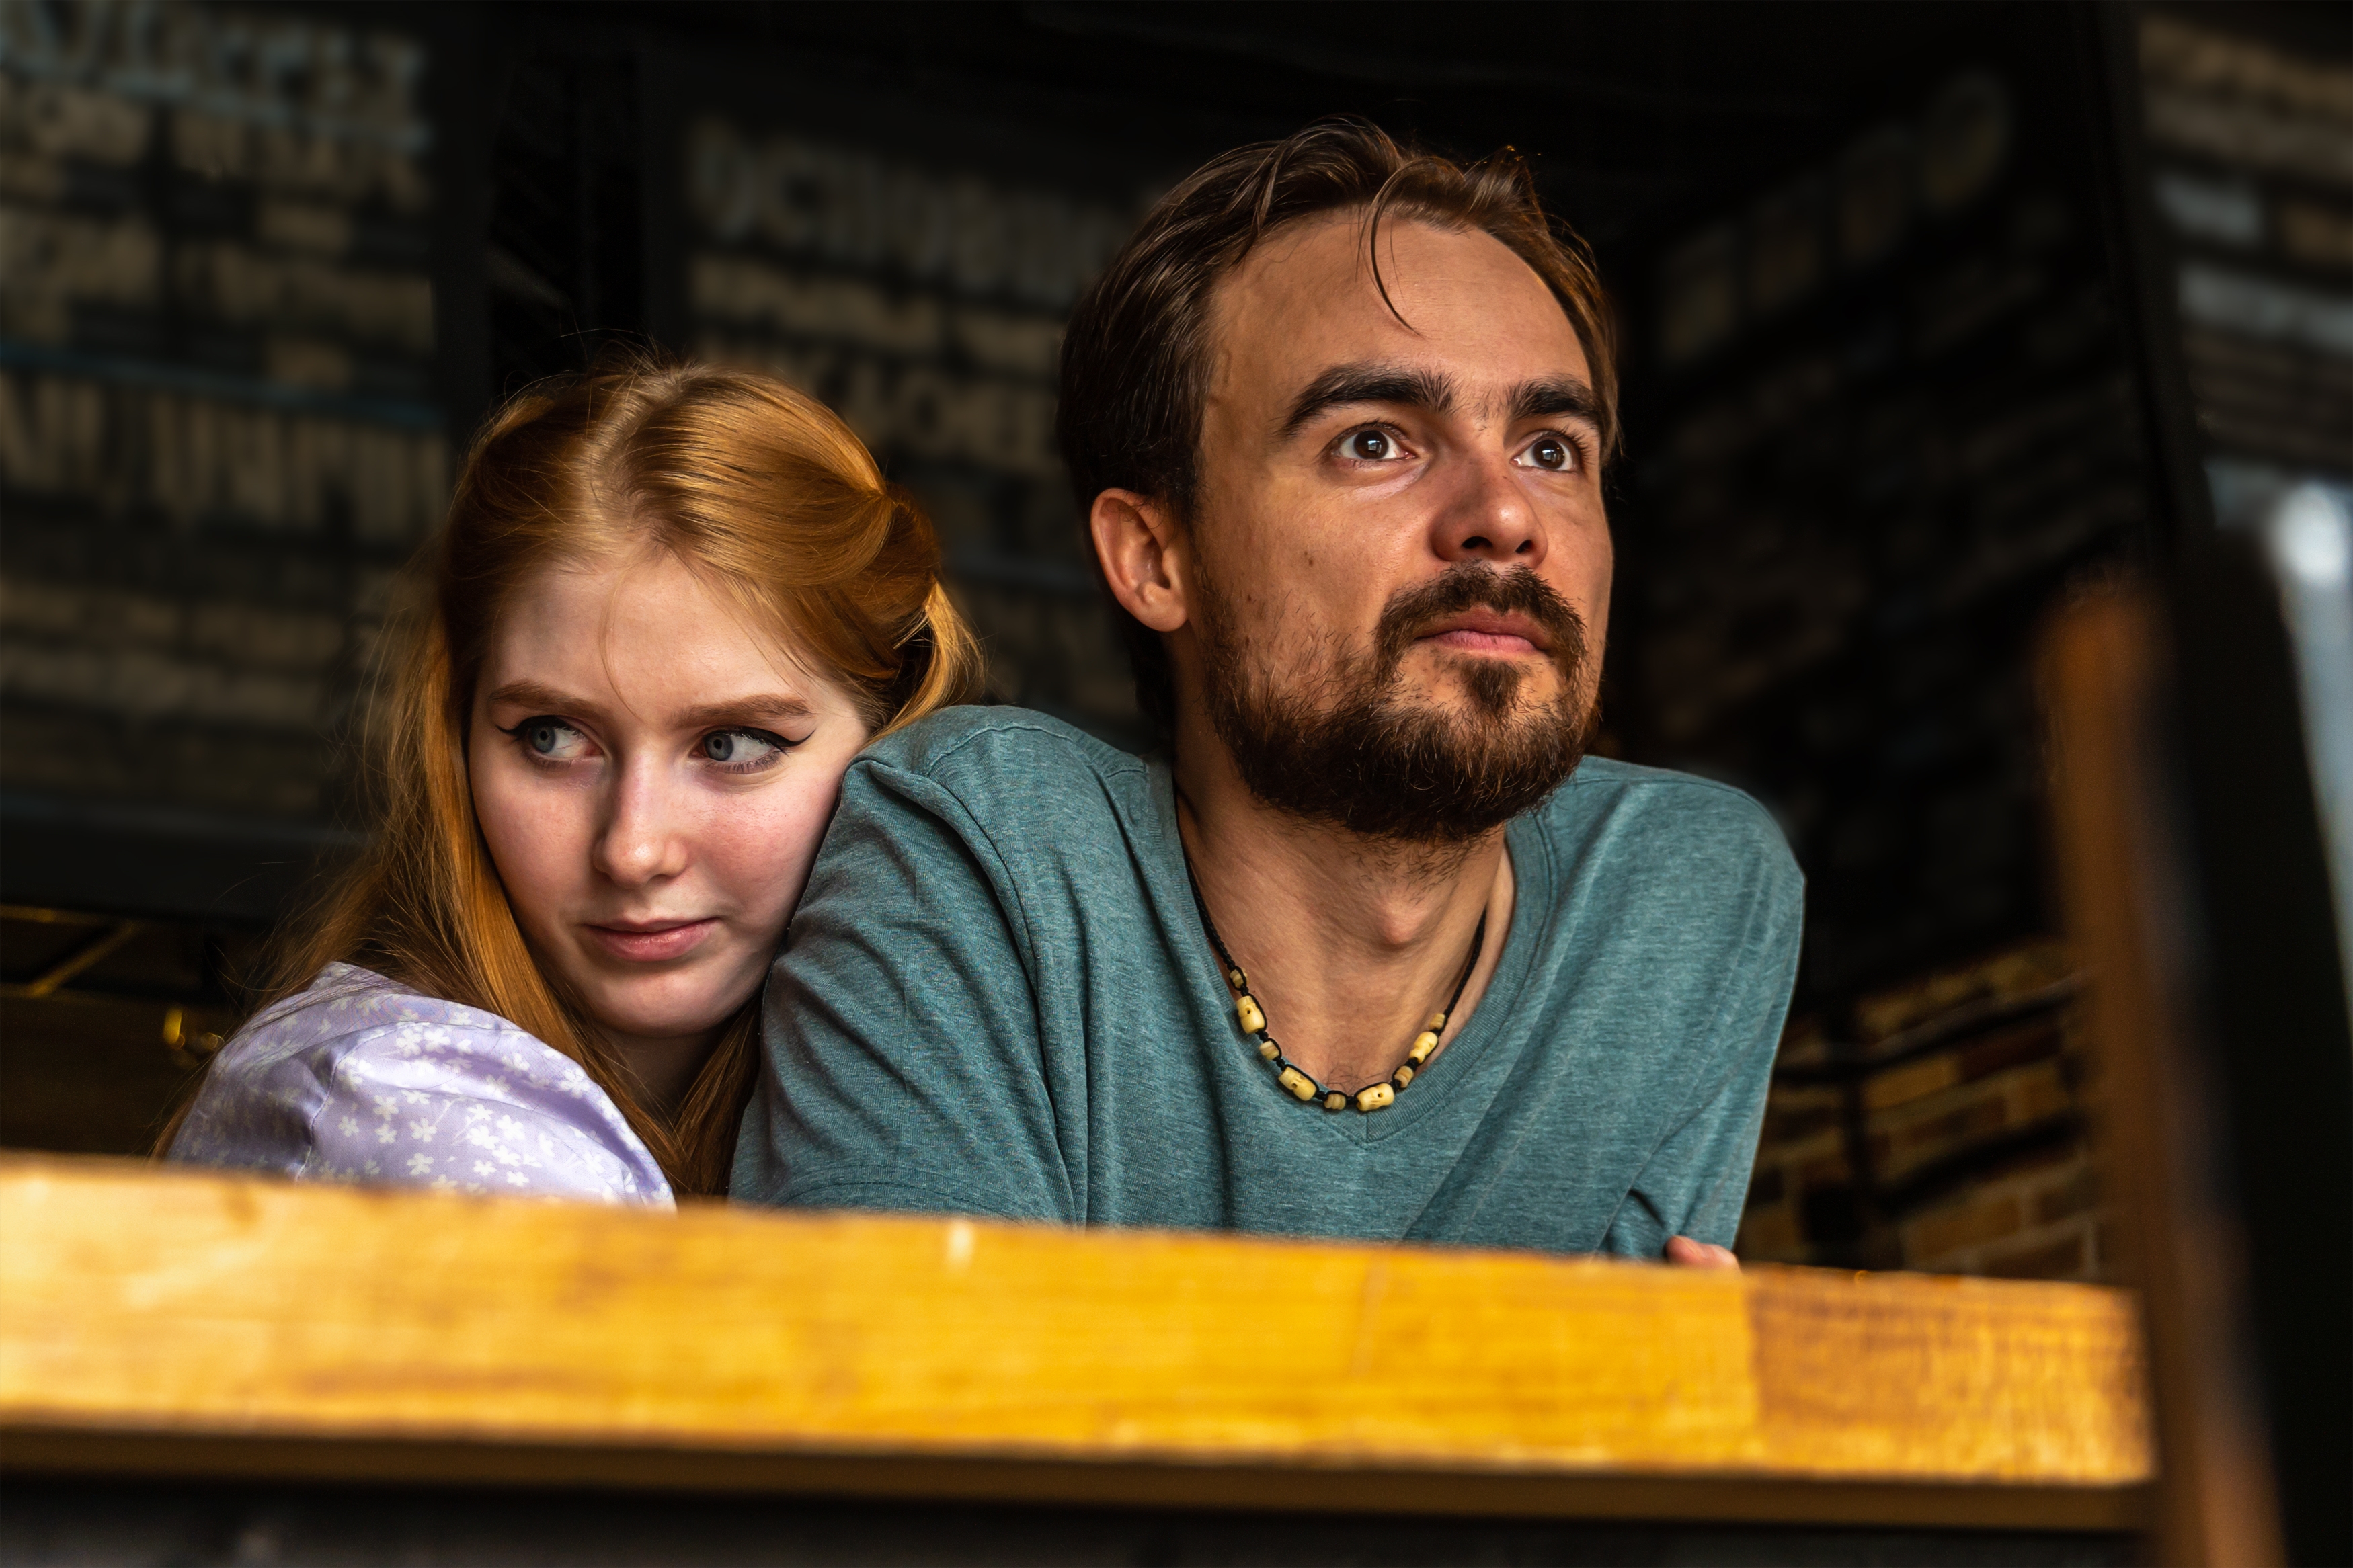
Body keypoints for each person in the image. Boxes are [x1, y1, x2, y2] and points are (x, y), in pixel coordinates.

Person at [735, 120, 1802, 1264]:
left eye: (1552, 448)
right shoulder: (982, 851)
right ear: (1156, 557)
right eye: (1377, 440)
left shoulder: (1686, 898)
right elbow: (926, 1422)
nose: (1504, 514)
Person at [164, 359, 982, 1204]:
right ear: (456, 733)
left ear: (888, 745)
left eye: (732, 744)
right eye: (551, 737)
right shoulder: (405, 1115)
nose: (632, 848)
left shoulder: (886, 1105)